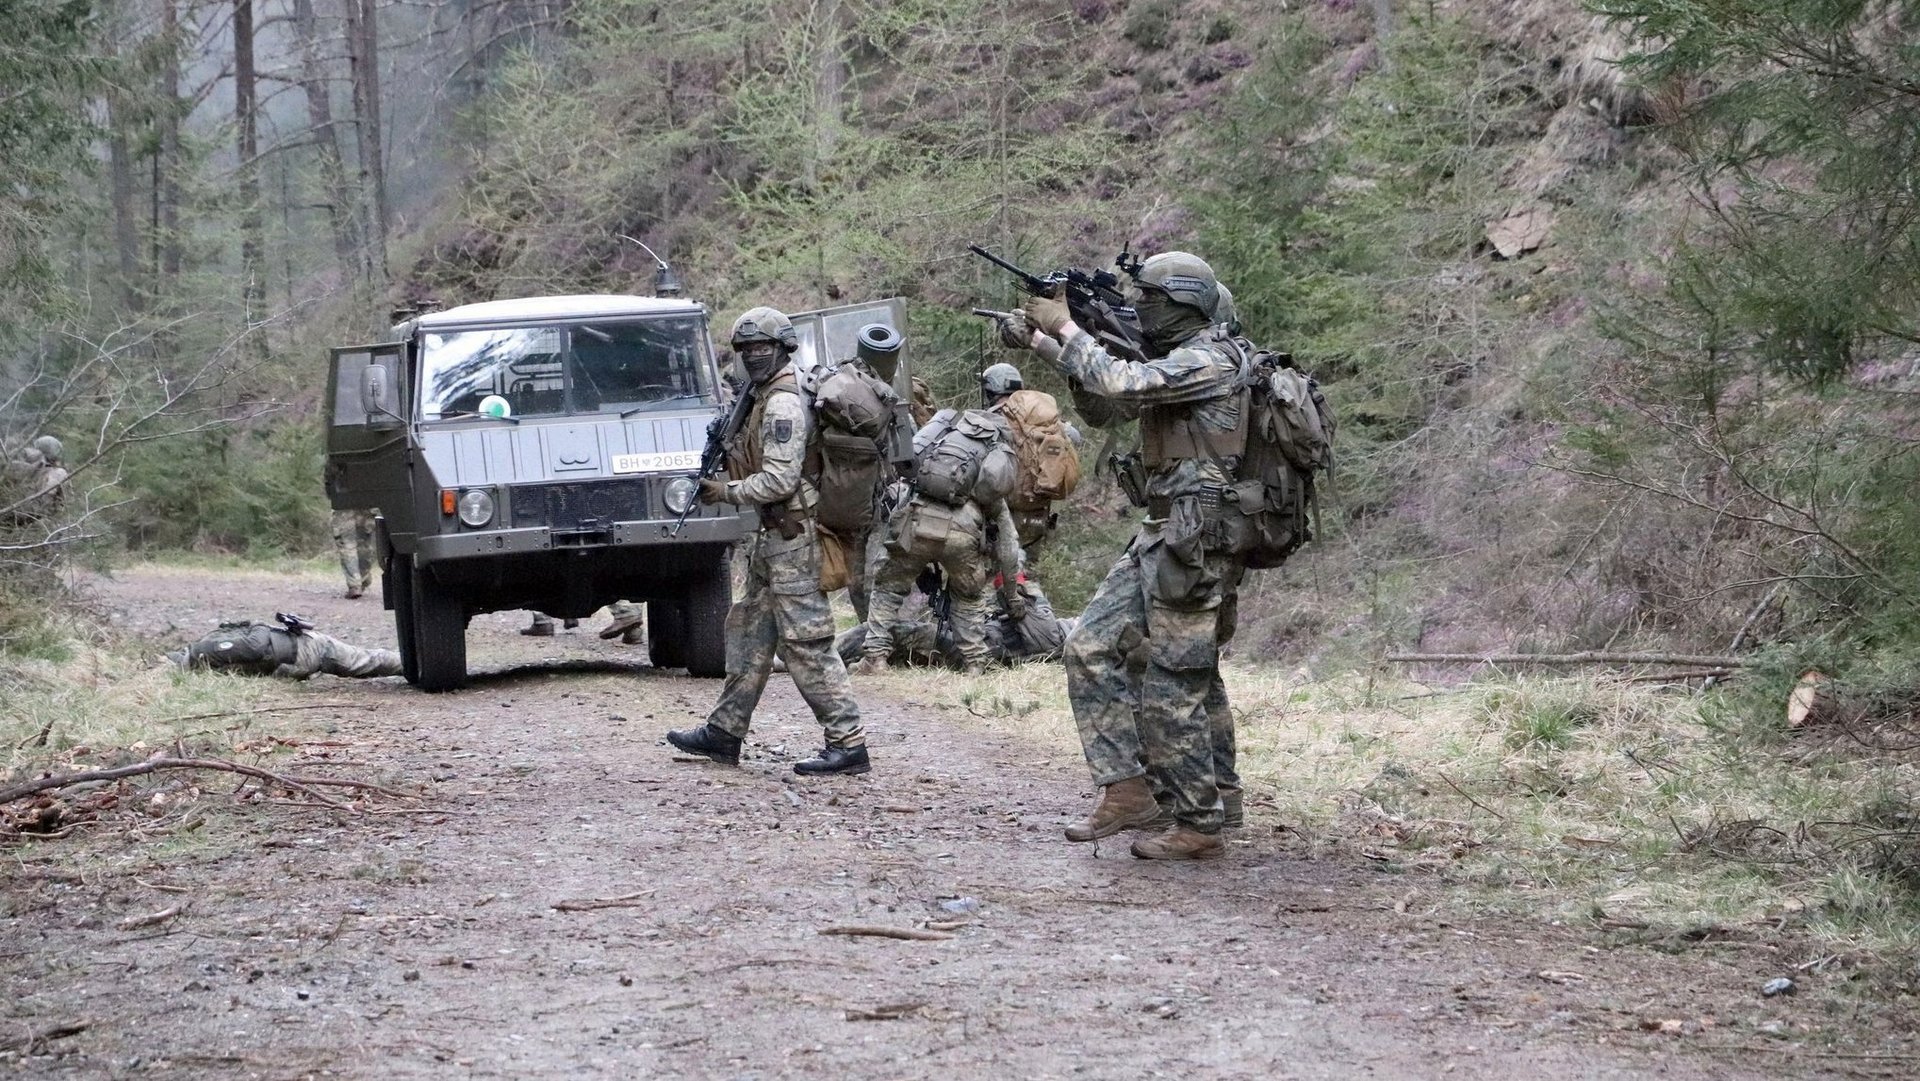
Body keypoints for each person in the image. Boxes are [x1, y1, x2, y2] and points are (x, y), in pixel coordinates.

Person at [1000, 251, 1244, 861]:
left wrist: (1066, 328)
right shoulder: (1179, 361)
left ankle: (1200, 824)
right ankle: (1136, 791)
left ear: (1183, 304)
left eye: (1151, 301)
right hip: (1167, 532)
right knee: (1091, 645)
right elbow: (1110, 406)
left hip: (1198, 537)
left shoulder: (1210, 360)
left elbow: (1120, 381)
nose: (1140, 310)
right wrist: (1044, 345)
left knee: (1175, 677)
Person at [665, 307, 869, 776]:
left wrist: (726, 492)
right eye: (746, 349)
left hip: (793, 535)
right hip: (771, 536)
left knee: (807, 643)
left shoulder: (781, 403)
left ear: (783, 348)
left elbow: (779, 480)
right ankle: (724, 732)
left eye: (763, 348)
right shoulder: (760, 395)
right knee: (749, 630)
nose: (755, 356)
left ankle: (848, 742)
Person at [853, 405, 1024, 677]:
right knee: (968, 595)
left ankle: (875, 657)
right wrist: (1013, 596)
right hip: (962, 532)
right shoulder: (989, 469)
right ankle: (975, 664)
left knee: (888, 585)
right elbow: (1008, 546)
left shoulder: (938, 445)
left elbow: (907, 481)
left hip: (917, 520)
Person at [834, 575, 1071, 670]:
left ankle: (820, 658)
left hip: (967, 646)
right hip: (971, 645)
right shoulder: (1053, 634)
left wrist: (1009, 569)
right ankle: (831, 662)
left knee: (887, 632)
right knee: (897, 653)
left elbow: (1015, 592)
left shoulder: (1051, 633)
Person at [168, 613, 402, 680]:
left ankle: (411, 666)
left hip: (291, 660)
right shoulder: (203, 651)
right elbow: (254, 647)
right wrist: (257, 624)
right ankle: (418, 665)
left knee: (360, 665)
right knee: (366, 660)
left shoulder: (204, 670)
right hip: (301, 651)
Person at [331, 509, 377, 600]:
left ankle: (355, 585)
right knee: (364, 544)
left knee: (347, 544)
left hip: (342, 503)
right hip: (367, 502)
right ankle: (363, 578)